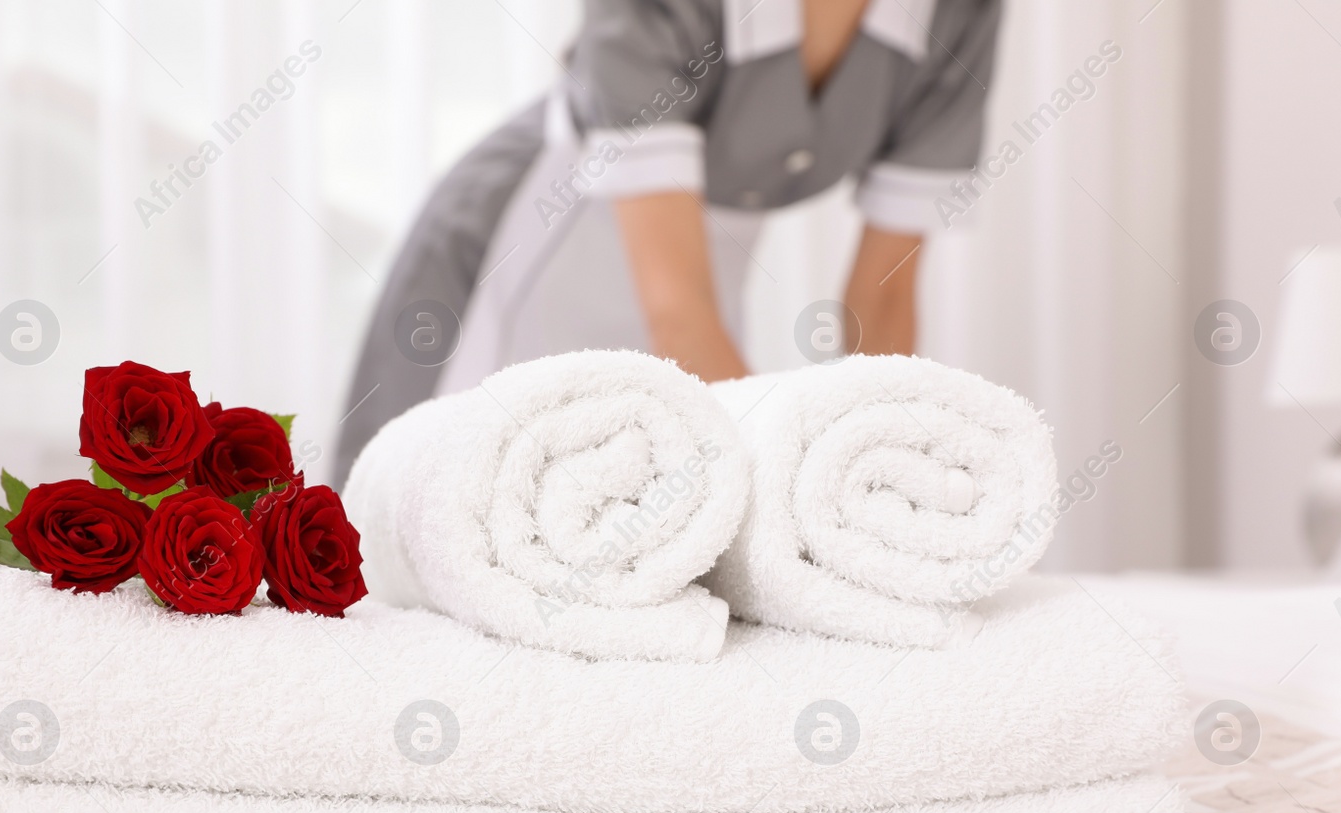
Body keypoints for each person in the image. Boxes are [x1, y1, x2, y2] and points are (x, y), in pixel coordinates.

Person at [334, 0, 1001, 476]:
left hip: (702, 276)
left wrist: (864, 475)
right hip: (531, 245)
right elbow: (677, 312)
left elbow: (881, 304)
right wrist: (787, 488)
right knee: (437, 525)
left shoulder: (958, 13)